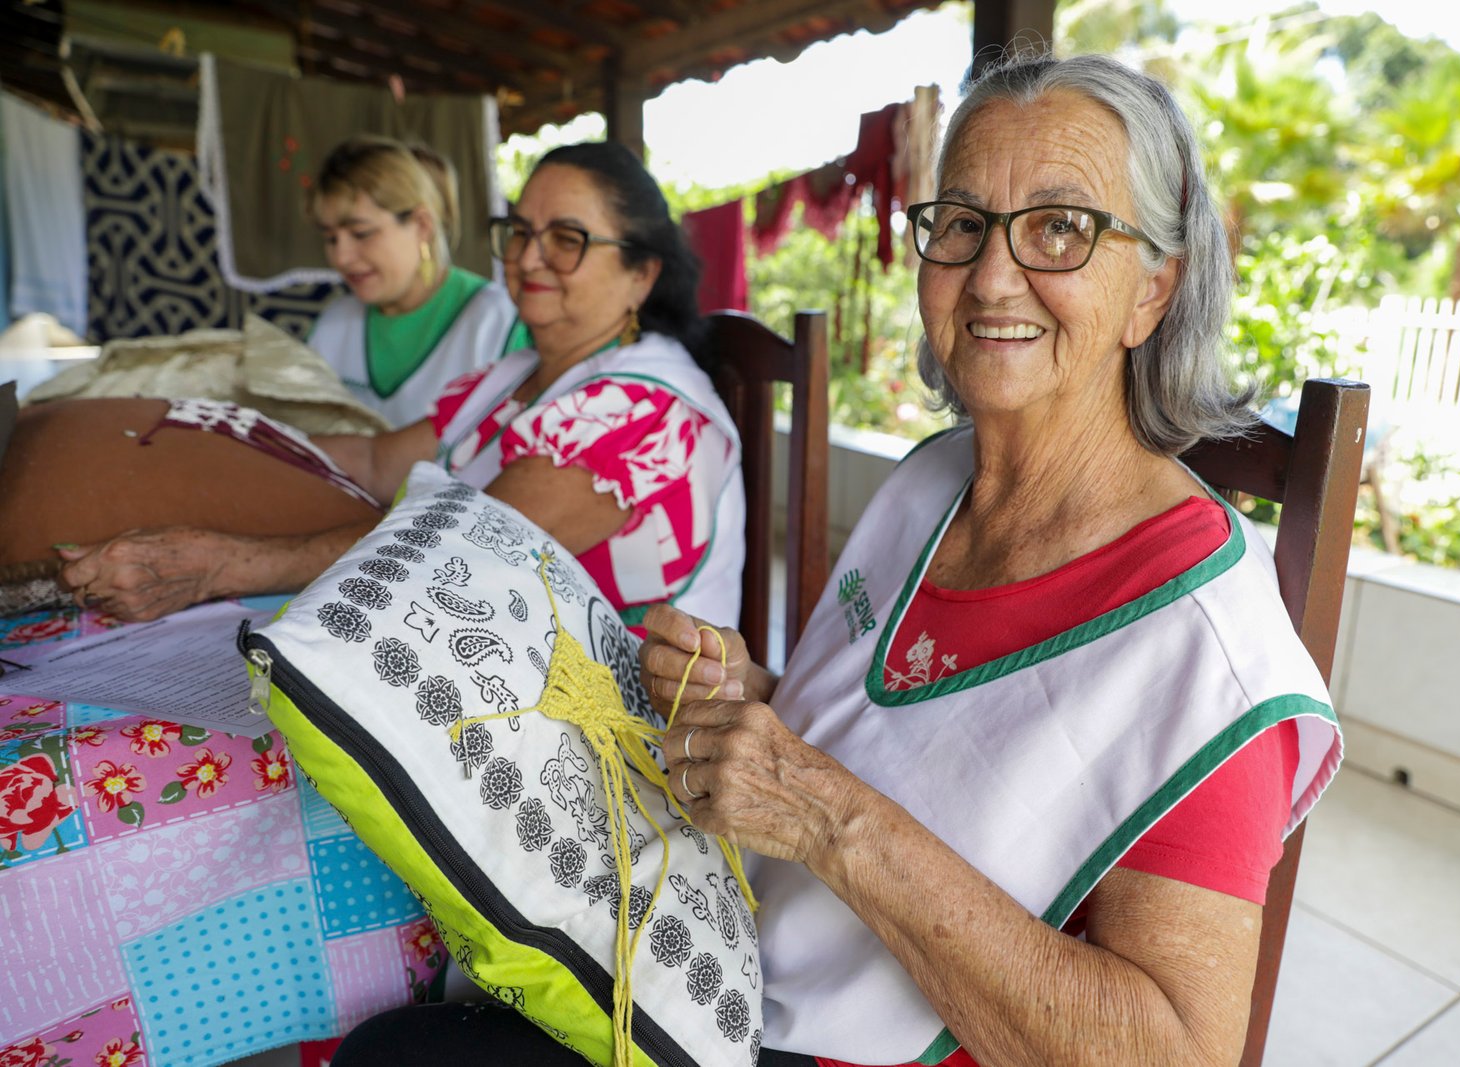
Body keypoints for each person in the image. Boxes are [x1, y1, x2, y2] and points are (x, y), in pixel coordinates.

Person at [329, 52, 1341, 1067]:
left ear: (1152, 291)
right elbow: (907, 735)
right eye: (959, 224)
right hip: (721, 958)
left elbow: (1174, 1053)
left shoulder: (1205, 650)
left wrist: (823, 812)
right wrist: (750, 697)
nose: (992, 276)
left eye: (1060, 228)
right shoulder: (933, 484)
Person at [57, 142, 744, 631]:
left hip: (621, 748)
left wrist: (221, 563)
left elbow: (460, 546)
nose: (529, 257)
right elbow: (378, 461)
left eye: (567, 238)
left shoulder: (647, 414)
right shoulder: (514, 379)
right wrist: (207, 439)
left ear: (642, 273)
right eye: (519, 231)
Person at [306, 136, 528, 426]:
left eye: (361, 234)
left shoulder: (496, 324)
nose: (341, 257)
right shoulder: (334, 326)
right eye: (330, 238)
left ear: (422, 225)